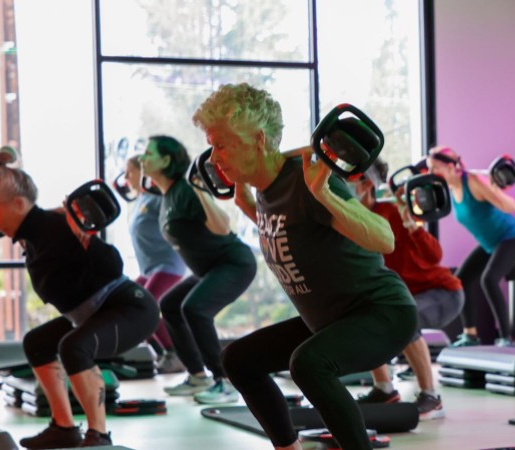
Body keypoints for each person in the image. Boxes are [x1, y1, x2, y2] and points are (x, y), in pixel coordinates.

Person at [195, 83, 417, 450]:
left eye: (221, 144)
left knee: (309, 364)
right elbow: (289, 233)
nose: (214, 157)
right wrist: (248, 206)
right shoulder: (266, 187)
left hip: (381, 313)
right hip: (330, 319)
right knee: (239, 360)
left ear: (258, 140)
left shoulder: (307, 180)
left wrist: (325, 194)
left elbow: (385, 239)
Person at [0, 147, 158, 448]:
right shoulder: (34, 236)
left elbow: (113, 266)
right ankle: (64, 427)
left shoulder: (58, 226)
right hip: (92, 312)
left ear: (19, 203)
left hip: (131, 307)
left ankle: (98, 435)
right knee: (37, 343)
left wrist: (85, 238)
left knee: (74, 346)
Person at [140, 135, 257, 403]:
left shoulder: (185, 190)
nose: (143, 158)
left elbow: (223, 226)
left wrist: (201, 192)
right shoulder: (167, 195)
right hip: (210, 268)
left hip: (234, 263)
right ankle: (197, 376)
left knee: (194, 308)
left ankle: (224, 381)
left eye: (149, 153)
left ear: (166, 160)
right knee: (170, 304)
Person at [350, 158, 463, 420]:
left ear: (367, 184)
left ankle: (431, 396)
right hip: (405, 295)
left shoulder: (392, 212)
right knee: (364, 318)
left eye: (351, 177)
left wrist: (411, 224)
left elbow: (435, 255)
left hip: (442, 293)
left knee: (406, 319)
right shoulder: (351, 218)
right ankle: (384, 390)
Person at [426, 147, 515, 347]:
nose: (431, 174)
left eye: (435, 168)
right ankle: (470, 335)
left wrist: (494, 187)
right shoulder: (451, 189)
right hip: (489, 243)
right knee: (460, 281)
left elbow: (511, 207)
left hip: (511, 236)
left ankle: (506, 337)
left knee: (489, 280)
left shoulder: (473, 181)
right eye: (430, 169)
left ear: (451, 166)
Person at [123, 155, 188, 372]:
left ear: (142, 173)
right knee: (129, 303)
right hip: (150, 268)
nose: (125, 178)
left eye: (129, 172)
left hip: (168, 264)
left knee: (146, 306)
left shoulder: (156, 197)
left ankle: (176, 354)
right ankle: (162, 354)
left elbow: (176, 215)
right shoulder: (140, 200)